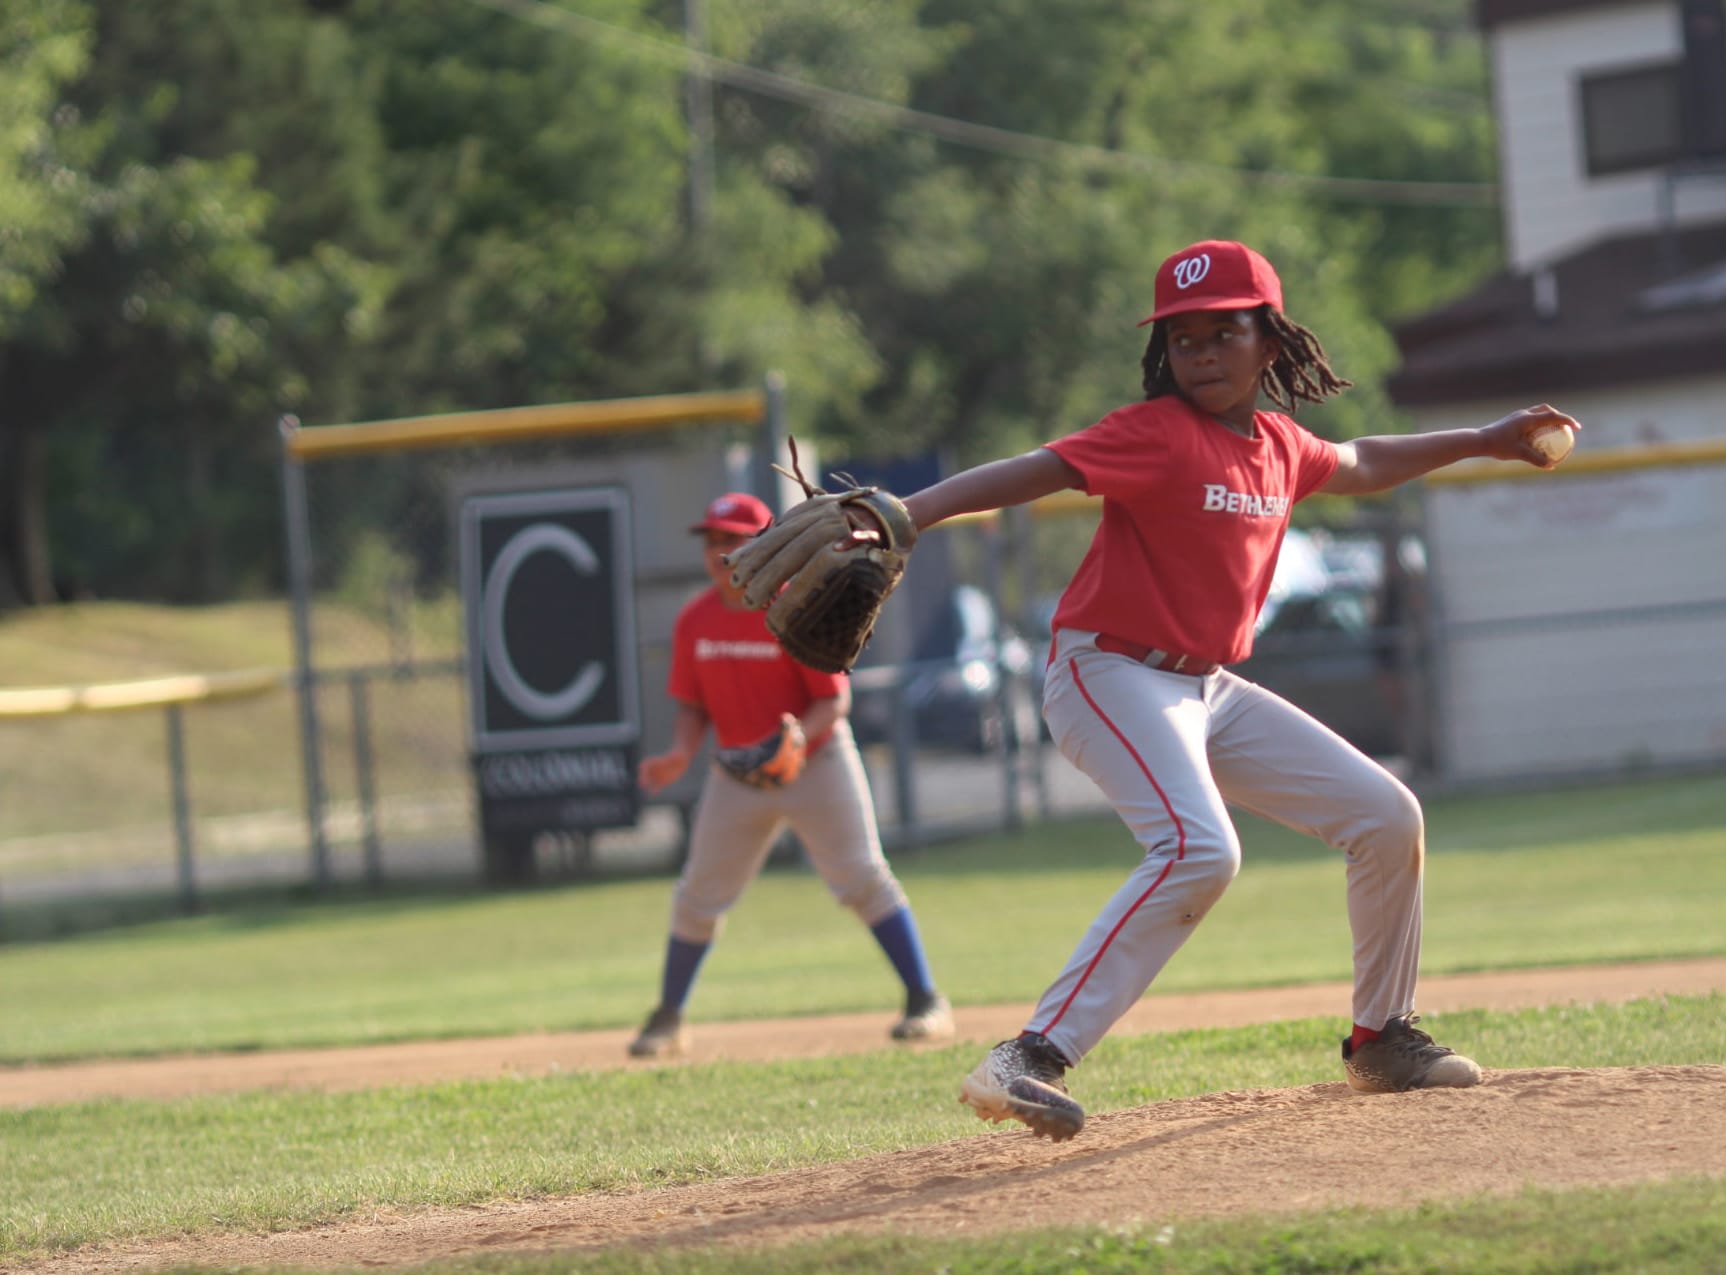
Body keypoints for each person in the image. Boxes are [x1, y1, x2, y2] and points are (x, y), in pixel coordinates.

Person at [886, 239, 1580, 1140]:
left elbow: (1363, 459)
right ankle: (1028, 1057)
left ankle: (1382, 1038)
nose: (1202, 355)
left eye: (1224, 333)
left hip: (1205, 687)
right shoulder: (1155, 431)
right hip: (1108, 669)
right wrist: (910, 513)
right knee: (1199, 849)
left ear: (1271, 341)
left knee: (1386, 814)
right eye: (1183, 340)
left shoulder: (1280, 446)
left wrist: (1483, 441)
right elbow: (1044, 467)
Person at [627, 491, 954, 1058]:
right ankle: (668, 1018)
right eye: (711, 540)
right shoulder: (695, 619)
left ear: (764, 542)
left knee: (863, 878)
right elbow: (692, 705)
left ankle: (926, 1000)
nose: (717, 551)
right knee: (698, 897)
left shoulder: (797, 603)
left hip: (816, 762)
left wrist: (798, 737)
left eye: (730, 539)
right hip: (738, 773)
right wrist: (681, 752)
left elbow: (834, 701)